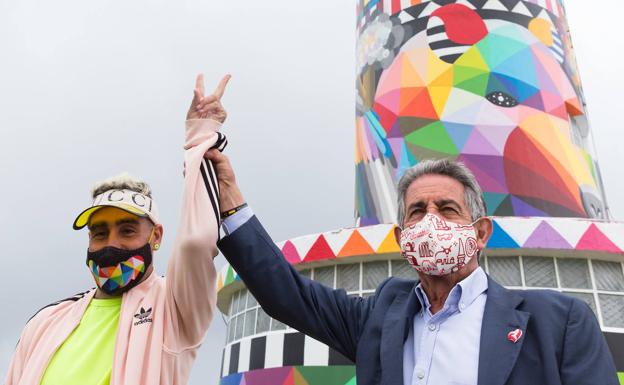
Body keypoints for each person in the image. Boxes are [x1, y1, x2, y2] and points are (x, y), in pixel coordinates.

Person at [208, 154, 619, 385]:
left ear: (480, 232)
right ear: (404, 239)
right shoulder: (381, 317)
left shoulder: (558, 323)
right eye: (417, 212)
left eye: (447, 209)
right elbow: (289, 296)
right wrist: (229, 199)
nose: (430, 220)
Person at [5, 74, 231, 385]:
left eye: (127, 230)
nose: (112, 244)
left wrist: (200, 137)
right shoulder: (45, 322)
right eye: (100, 233)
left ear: (156, 237)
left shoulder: (174, 307)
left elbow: (196, 242)